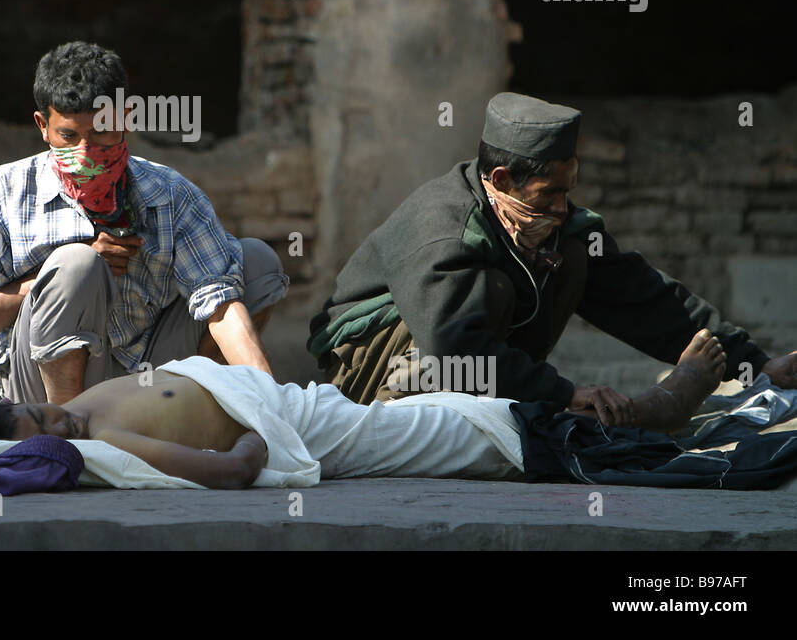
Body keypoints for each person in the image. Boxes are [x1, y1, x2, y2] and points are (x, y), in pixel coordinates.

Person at [306, 92, 797, 425]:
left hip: (462, 359)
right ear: (500, 180)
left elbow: (642, 297)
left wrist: (754, 363)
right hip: (374, 369)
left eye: (569, 191)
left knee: (574, 255)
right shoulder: (441, 228)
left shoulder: (553, 224)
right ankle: (443, 412)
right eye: (548, 195)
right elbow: (453, 347)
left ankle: (517, 404)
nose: (562, 208)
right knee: (493, 289)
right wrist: (565, 393)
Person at [0, 326, 731, 489]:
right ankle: (613, 431)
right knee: (449, 428)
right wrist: (263, 435)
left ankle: (618, 419)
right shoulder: (99, 446)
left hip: (285, 398)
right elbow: (225, 471)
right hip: (287, 420)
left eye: (46, 412)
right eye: (49, 431)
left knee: (443, 412)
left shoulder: (80, 415)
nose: (64, 420)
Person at [0, 41, 289, 405]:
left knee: (254, 261)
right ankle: (70, 438)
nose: (86, 153)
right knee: (76, 265)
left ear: (126, 120)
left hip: (146, 375)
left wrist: (271, 400)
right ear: (43, 126)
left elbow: (219, 304)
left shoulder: (170, 194)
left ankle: (193, 409)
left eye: (101, 132)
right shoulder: (3, 193)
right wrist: (62, 274)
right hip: (40, 385)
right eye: (68, 136)